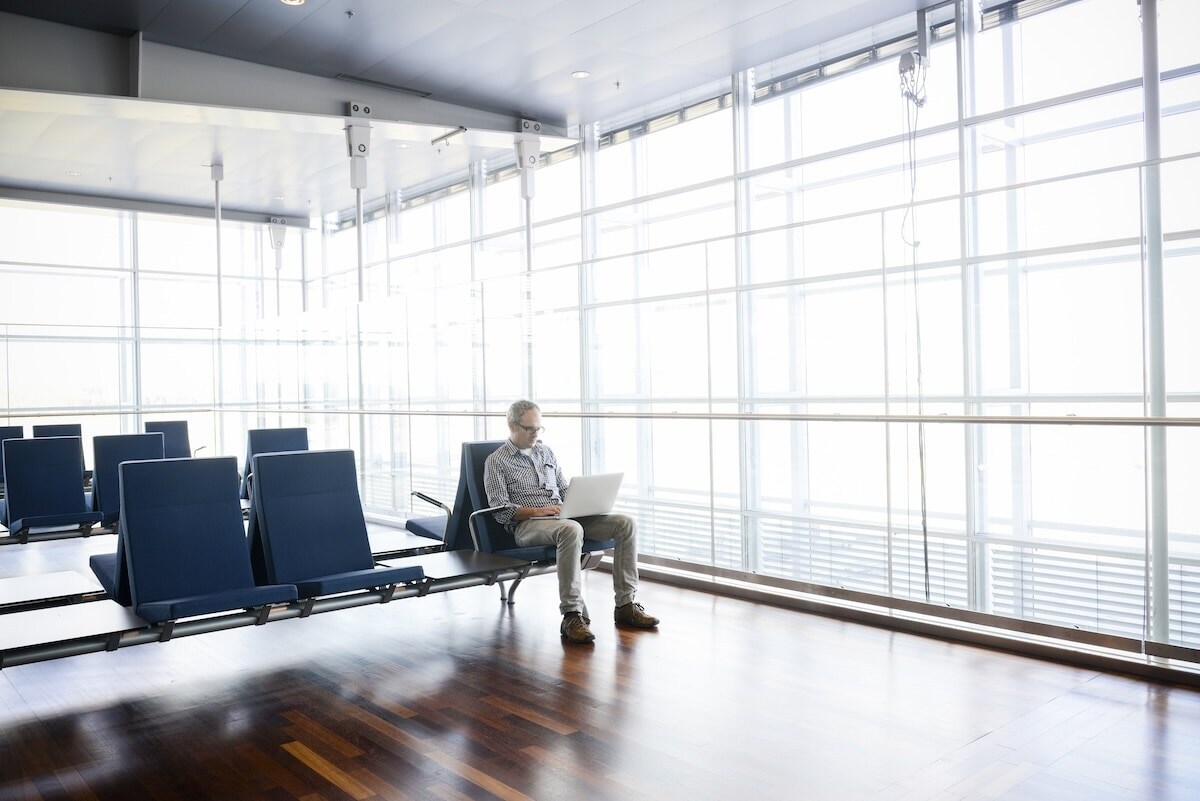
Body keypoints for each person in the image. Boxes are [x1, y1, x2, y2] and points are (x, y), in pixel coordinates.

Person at [484, 399, 660, 643]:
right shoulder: (496, 461)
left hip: (563, 517)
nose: (536, 434)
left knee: (625, 522)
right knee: (571, 529)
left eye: (539, 428)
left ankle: (626, 606)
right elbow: (500, 509)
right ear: (511, 425)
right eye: (529, 429)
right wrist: (539, 511)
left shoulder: (546, 452)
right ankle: (571, 615)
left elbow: (564, 489)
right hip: (528, 527)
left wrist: (584, 502)